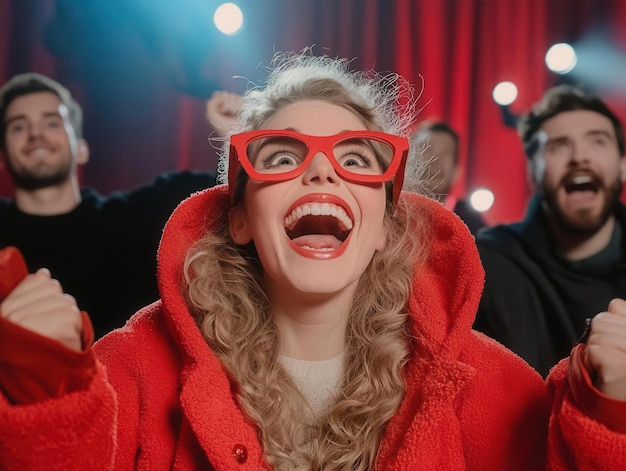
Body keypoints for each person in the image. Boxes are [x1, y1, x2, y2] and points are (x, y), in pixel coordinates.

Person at [1, 53, 626, 470]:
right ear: (240, 219)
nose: (322, 168)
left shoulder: (490, 387)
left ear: (385, 224)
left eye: (357, 158)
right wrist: (43, 397)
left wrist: (609, 414)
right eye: (280, 157)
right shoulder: (131, 372)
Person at [0, 73, 217, 338]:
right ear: (3, 157)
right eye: (19, 127)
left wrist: (232, 135)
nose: (35, 133)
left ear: (81, 149)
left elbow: (231, 190)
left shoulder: (136, 218)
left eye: (52, 123)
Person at [474, 83, 626, 377]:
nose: (580, 157)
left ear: (621, 165)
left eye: (597, 142)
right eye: (558, 146)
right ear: (533, 171)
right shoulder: (489, 266)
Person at [407, 121, 486, 235]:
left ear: (457, 172)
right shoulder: (388, 213)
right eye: (427, 149)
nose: (435, 160)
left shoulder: (472, 224)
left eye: (445, 153)